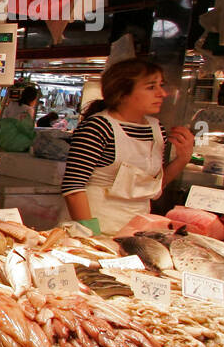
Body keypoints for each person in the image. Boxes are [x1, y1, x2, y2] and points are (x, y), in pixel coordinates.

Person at [61, 59, 194, 235]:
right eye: (151, 87)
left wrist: (183, 158)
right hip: (93, 225)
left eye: (161, 85)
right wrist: (93, 236)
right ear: (122, 93)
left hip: (136, 229)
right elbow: (73, 187)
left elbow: (152, 187)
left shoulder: (156, 128)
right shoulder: (98, 127)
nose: (162, 93)